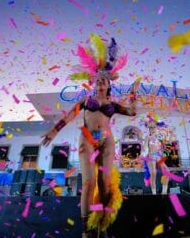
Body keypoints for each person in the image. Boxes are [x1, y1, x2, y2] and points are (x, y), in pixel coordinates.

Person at [41, 34, 139, 237]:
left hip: (107, 141)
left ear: (109, 85)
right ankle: (86, 229)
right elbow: (70, 115)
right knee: (88, 184)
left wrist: (134, 95)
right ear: (94, 84)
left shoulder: (113, 105)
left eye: (104, 81)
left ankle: (102, 225)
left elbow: (132, 112)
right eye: (98, 81)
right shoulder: (86, 100)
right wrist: (54, 131)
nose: (100, 83)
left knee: (104, 185)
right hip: (87, 139)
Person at [142, 114, 171, 195]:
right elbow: (145, 148)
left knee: (167, 171)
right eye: (150, 127)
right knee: (153, 173)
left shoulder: (159, 138)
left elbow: (164, 144)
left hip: (158, 156)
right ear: (148, 128)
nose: (152, 129)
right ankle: (154, 194)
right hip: (150, 156)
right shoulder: (147, 137)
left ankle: (164, 192)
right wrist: (143, 154)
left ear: (156, 127)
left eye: (154, 127)